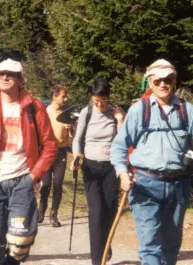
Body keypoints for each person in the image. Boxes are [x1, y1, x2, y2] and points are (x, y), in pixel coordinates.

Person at [110, 59, 193, 265]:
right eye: (157, 81)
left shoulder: (186, 110)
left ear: (174, 81)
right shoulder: (140, 110)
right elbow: (119, 147)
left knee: (171, 247)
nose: (163, 84)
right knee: (150, 247)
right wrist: (122, 173)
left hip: (177, 186)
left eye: (168, 80)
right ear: (150, 83)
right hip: (144, 184)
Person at [0, 58, 58, 265]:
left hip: (22, 180)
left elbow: (51, 145)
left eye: (11, 74)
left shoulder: (34, 107)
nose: (5, 77)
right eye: (1, 73)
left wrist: (34, 176)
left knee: (21, 239)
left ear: (20, 79)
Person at [71, 78, 125, 265]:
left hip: (111, 168)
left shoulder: (115, 112)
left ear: (107, 97)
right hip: (91, 167)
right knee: (95, 213)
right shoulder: (87, 112)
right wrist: (77, 155)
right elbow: (77, 138)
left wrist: (119, 120)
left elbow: (123, 140)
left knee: (110, 211)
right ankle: (97, 260)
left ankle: (105, 245)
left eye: (102, 100)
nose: (99, 104)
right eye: (96, 100)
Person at [38, 86, 71, 227]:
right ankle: (41, 210)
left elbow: (71, 137)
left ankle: (54, 214)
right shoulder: (44, 112)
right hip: (46, 152)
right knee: (45, 184)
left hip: (61, 152)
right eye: (63, 96)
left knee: (57, 184)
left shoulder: (66, 114)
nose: (66, 99)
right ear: (54, 96)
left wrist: (71, 130)